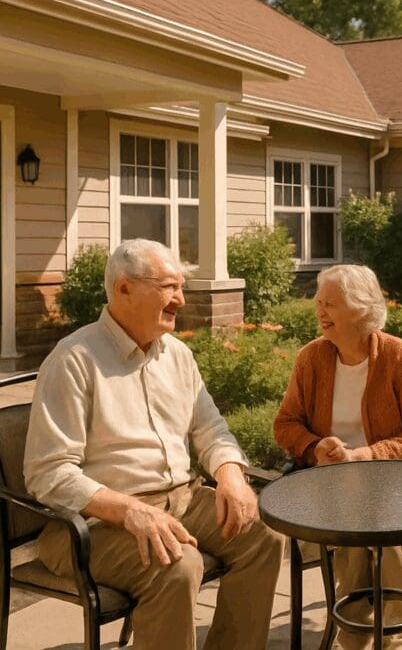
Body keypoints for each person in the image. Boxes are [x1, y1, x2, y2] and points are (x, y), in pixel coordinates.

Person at [24, 239, 284, 650]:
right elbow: (48, 472)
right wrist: (129, 510)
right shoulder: (74, 359)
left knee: (263, 536)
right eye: (168, 287)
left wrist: (230, 474)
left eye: (181, 287)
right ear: (124, 288)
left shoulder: (177, 355)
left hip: (181, 500)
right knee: (177, 566)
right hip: (92, 526)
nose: (181, 299)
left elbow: (211, 429)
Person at [274, 264, 402, 650]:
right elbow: (286, 424)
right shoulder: (311, 358)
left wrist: (365, 455)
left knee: (383, 514)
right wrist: (315, 447)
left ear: (361, 309)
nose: (320, 311)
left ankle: (390, 636)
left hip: (388, 481)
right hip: (329, 482)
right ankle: (364, 633)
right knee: (357, 511)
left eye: (330, 303)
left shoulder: (396, 354)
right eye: (318, 302)